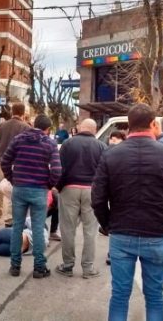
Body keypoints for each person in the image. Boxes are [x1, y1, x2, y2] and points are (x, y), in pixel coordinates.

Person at [91, 103, 163, 321]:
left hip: (122, 232)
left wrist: (107, 225)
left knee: (119, 295)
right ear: (153, 124)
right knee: (154, 296)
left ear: (128, 127)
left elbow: (97, 198)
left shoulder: (111, 155)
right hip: (157, 232)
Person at [1, 114, 61, 279]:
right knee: (38, 228)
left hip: (20, 189)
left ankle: (15, 266)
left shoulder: (18, 140)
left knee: (17, 228)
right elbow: (56, 170)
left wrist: (13, 179)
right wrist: (48, 185)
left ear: (34, 125)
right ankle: (39, 267)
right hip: (39, 190)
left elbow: (5, 161)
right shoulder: (49, 143)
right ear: (47, 129)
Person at [55, 118, 107, 278]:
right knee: (90, 230)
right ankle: (88, 268)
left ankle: (68, 265)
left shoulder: (67, 144)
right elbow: (104, 172)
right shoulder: (101, 146)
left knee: (68, 229)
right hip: (91, 190)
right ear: (94, 129)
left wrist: (58, 187)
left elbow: (59, 168)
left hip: (69, 188)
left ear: (80, 128)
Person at [0, 102, 30, 218]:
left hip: (1, 160)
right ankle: (9, 217)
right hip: (15, 163)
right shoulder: (25, 127)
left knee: (0, 187)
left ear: (12, 112)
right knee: (12, 188)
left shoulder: (2, 126)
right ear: (23, 113)